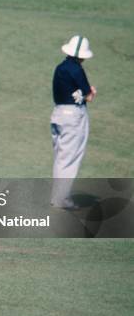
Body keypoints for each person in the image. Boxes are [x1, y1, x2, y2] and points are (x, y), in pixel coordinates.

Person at [50, 35, 97, 209]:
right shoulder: (77, 70)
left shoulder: (60, 68)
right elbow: (88, 95)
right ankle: (61, 199)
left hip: (57, 114)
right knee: (69, 159)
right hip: (73, 117)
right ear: (82, 56)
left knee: (61, 158)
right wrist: (91, 92)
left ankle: (58, 196)